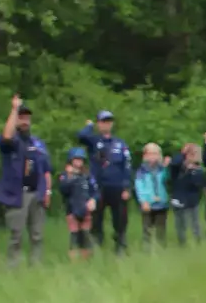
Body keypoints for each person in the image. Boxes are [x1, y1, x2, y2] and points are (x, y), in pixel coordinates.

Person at [0, 95, 51, 268]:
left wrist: (47, 191)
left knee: (37, 234)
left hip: (36, 194)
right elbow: (6, 136)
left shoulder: (38, 143)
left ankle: (36, 266)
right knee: (16, 235)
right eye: (21, 118)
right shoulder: (11, 143)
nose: (24, 121)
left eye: (27, 118)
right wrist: (14, 109)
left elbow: (46, 170)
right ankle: (13, 267)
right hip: (17, 195)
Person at [76, 110, 133, 253]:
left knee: (120, 219)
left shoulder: (120, 143)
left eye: (108, 121)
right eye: (103, 121)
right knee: (96, 220)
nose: (106, 124)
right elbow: (81, 136)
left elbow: (127, 165)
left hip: (117, 187)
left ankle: (120, 247)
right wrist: (89, 126)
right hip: (98, 188)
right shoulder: (93, 141)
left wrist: (126, 186)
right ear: (98, 123)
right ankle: (97, 248)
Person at [61, 149, 100, 260]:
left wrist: (93, 200)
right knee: (74, 234)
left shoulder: (87, 175)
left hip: (86, 208)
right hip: (72, 209)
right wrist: (70, 176)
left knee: (85, 234)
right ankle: (73, 259)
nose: (79, 162)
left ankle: (86, 259)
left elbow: (96, 191)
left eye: (81, 159)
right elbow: (63, 190)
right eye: (76, 159)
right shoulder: (65, 175)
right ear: (71, 160)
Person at [169, 143, 206, 245]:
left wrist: (191, 171)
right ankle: (182, 243)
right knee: (180, 223)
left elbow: (198, 184)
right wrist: (182, 154)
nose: (193, 157)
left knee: (195, 222)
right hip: (179, 199)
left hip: (192, 200)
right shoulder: (178, 168)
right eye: (191, 154)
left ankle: (197, 241)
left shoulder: (199, 170)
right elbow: (173, 164)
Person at [135, 143, 171, 246]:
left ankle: (161, 247)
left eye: (155, 154)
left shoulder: (162, 169)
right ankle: (147, 247)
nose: (152, 156)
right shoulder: (141, 171)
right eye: (149, 154)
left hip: (161, 202)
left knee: (161, 227)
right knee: (147, 227)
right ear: (145, 156)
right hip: (148, 203)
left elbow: (167, 181)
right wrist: (143, 201)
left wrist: (166, 168)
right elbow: (139, 186)